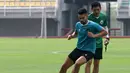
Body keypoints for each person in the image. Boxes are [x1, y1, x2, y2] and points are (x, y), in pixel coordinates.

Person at [59, 8, 107, 73]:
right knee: (64, 67)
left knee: (77, 63)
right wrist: (71, 36)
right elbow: (76, 33)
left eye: (83, 18)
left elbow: (104, 32)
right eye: (80, 18)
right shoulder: (78, 24)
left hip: (89, 51)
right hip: (78, 49)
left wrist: (94, 36)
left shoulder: (93, 25)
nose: (81, 20)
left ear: (87, 15)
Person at [85, 2, 110, 73]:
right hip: (89, 44)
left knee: (96, 64)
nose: (96, 12)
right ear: (91, 9)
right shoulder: (88, 18)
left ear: (100, 9)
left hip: (98, 44)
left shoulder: (103, 17)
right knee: (88, 62)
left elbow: (105, 27)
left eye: (98, 10)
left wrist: (107, 38)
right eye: (94, 10)